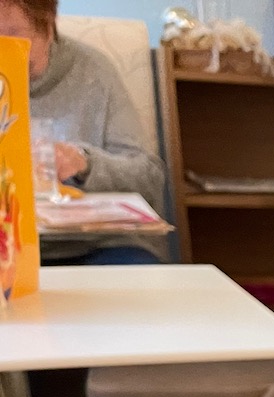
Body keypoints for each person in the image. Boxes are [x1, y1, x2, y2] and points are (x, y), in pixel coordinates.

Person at [0, 0, 165, 264]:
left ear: (49, 26)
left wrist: (84, 164)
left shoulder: (93, 72)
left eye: (14, 33)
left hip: (96, 246)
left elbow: (149, 180)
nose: (4, 50)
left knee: (139, 276)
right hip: (9, 248)